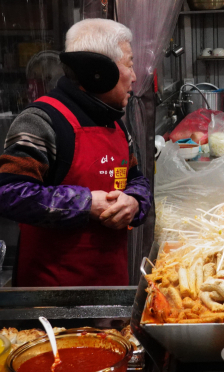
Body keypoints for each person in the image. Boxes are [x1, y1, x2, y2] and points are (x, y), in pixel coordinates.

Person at [0, 19, 152, 287]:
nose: (135, 75)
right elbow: (9, 193)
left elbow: (137, 178)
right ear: (100, 70)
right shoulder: (40, 120)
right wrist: (85, 204)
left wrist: (134, 202)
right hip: (51, 301)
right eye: (129, 64)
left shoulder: (116, 122)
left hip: (110, 289)